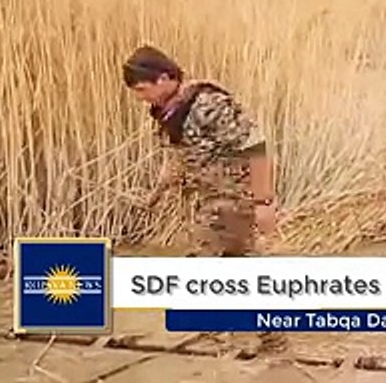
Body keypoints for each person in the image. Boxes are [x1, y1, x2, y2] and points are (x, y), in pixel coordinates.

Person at [122, 45, 285, 355]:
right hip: (214, 199)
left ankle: (218, 337)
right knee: (240, 266)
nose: (141, 98)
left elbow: (257, 147)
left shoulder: (208, 105)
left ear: (165, 78)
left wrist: (264, 203)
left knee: (203, 264)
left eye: (143, 90)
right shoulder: (171, 110)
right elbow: (180, 158)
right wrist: (154, 196)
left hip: (233, 199)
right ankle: (269, 337)